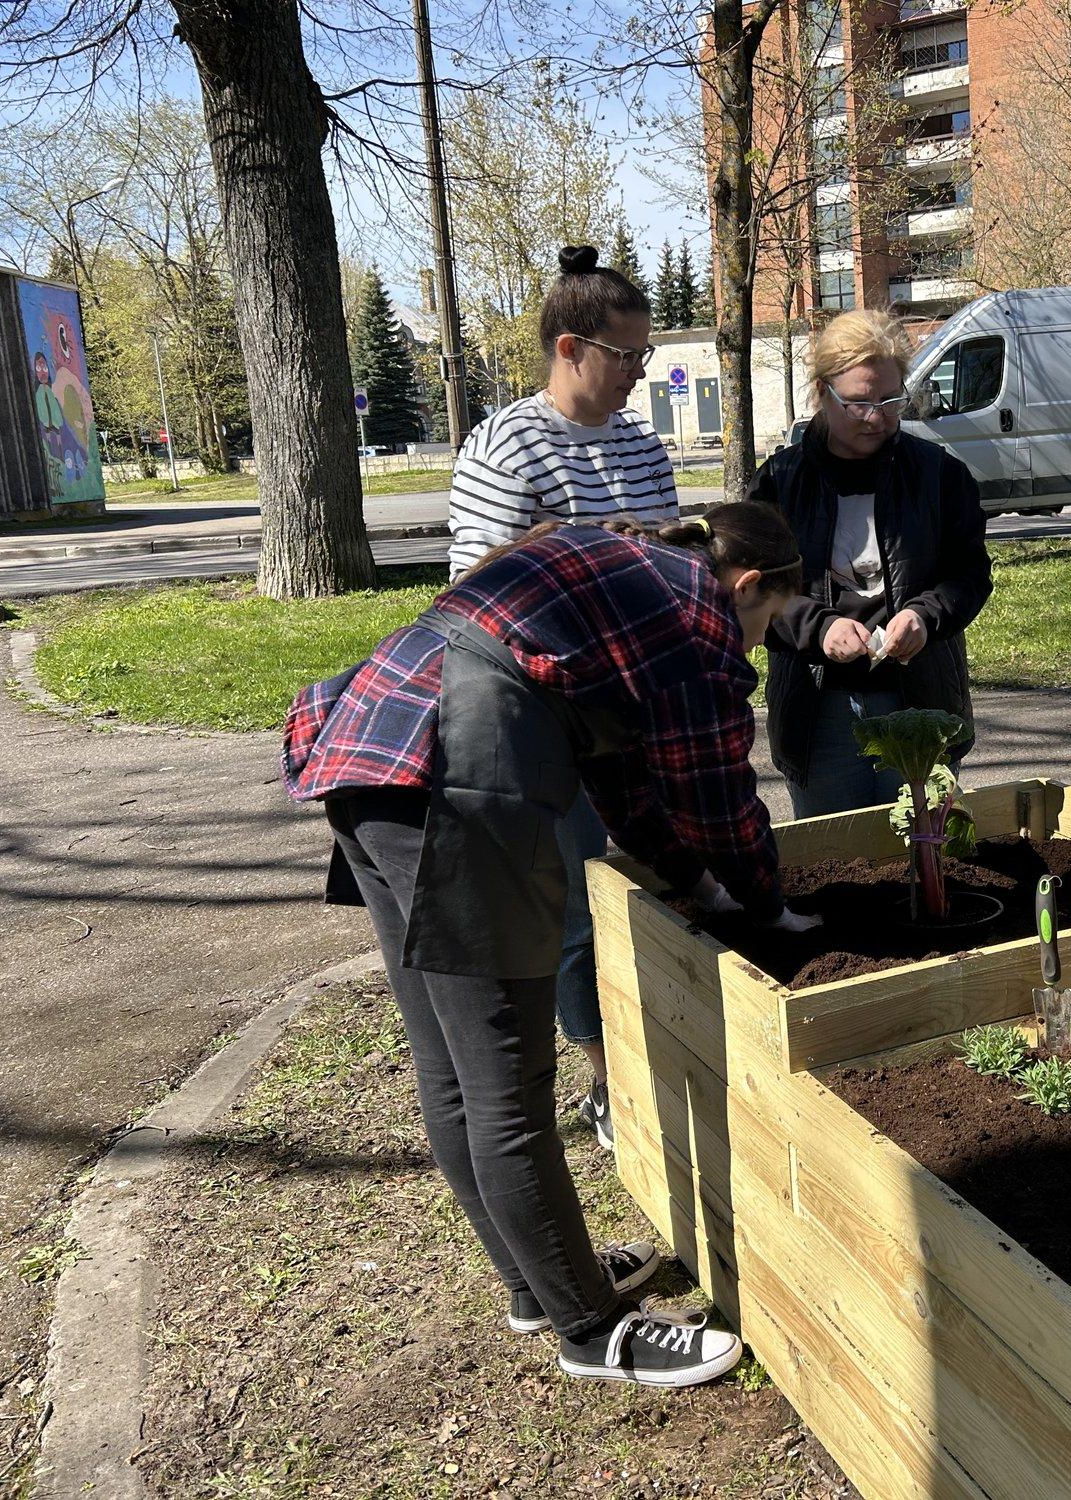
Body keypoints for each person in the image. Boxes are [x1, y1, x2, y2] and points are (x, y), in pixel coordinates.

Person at [280, 504, 818, 1387]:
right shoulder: (696, 610)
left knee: (452, 1074)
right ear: (748, 586)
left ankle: (539, 1286)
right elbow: (714, 788)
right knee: (507, 1086)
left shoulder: (629, 576)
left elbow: (629, 789)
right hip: (454, 774)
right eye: (765, 625)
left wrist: (693, 880)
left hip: (375, 759)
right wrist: (767, 901)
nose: (753, 647)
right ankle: (592, 1330)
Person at [448, 244, 677, 1153]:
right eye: (627, 357)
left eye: (644, 357)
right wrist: (569, 544)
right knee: (580, 900)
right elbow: (472, 591)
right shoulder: (506, 443)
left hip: (639, 707)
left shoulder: (640, 442)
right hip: (548, 717)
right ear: (572, 347)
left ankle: (662, 1039)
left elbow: (667, 562)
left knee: (655, 885)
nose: (637, 374)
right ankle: (606, 1082)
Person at [750, 309, 993, 816]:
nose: (876, 418)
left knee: (928, 858)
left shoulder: (940, 477)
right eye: (858, 403)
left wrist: (925, 617)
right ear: (822, 391)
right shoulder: (780, 482)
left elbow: (969, 575)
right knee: (836, 866)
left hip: (922, 700)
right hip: (819, 711)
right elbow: (752, 592)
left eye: (890, 400)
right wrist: (817, 628)